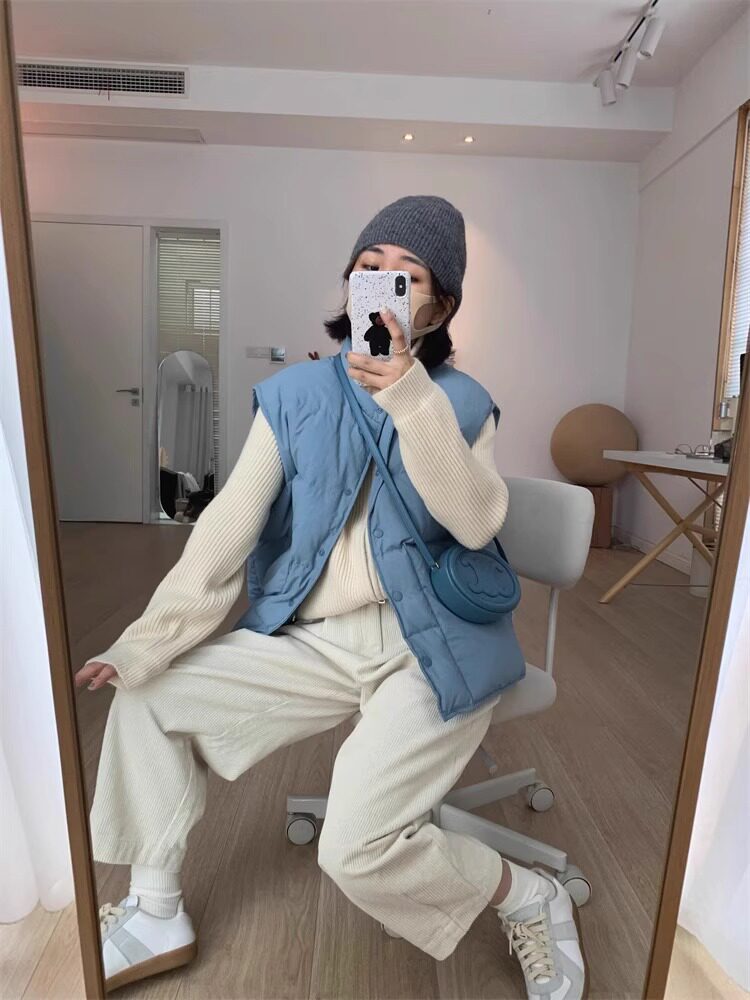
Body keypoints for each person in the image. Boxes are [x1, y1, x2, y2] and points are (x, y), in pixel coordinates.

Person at [75, 195, 587, 999]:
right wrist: (145, 641)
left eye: (408, 276)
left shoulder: (459, 402)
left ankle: (529, 895)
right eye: (369, 268)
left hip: (434, 644)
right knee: (146, 699)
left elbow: (477, 519)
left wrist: (410, 396)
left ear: (437, 308)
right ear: (349, 285)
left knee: (353, 847)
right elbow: (227, 526)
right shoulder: (295, 396)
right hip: (320, 641)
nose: (382, 284)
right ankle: (154, 910)